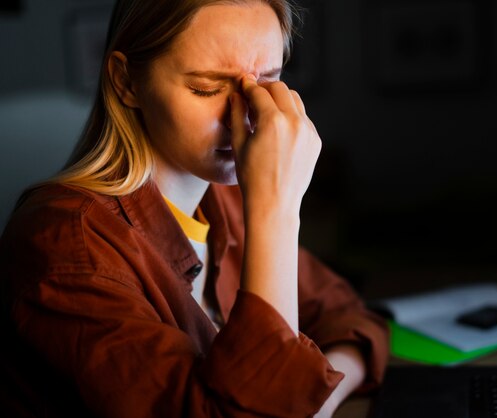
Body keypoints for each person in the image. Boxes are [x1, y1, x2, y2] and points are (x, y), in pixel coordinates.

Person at [0, 0, 389, 417]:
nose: (247, 117)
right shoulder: (66, 247)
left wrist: (318, 403)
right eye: (206, 87)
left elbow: (350, 317)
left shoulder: (226, 200)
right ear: (125, 80)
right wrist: (276, 210)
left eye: (267, 84)